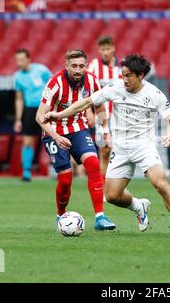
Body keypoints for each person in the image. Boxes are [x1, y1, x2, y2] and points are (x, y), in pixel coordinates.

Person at [44, 54, 170, 238]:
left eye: (128, 75)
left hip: (143, 146)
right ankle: (139, 206)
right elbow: (86, 102)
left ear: (140, 75)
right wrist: (59, 116)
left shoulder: (154, 94)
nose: (124, 79)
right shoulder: (115, 87)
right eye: (122, 75)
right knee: (112, 196)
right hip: (121, 148)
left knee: (160, 184)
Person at [35, 49, 116, 231]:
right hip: (53, 132)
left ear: (86, 66)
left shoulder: (92, 80)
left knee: (94, 163)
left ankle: (100, 217)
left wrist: (105, 130)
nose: (78, 70)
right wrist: (56, 137)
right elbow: (39, 116)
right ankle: (60, 214)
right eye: (74, 66)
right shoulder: (55, 83)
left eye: (81, 66)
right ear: (66, 66)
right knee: (65, 180)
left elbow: (100, 105)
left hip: (78, 128)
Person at [14, 49, 52, 182]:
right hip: (30, 110)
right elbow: (19, 99)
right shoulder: (18, 76)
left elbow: (54, 87)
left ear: (29, 59)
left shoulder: (41, 70)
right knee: (28, 141)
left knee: (52, 139)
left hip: (45, 108)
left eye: (22, 59)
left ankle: (57, 170)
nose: (20, 63)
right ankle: (26, 173)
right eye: (17, 60)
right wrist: (18, 119)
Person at [88, 35, 122, 182]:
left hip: (120, 116)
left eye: (108, 49)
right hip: (101, 116)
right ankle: (104, 185)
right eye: (103, 49)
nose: (106, 52)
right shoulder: (94, 66)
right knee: (104, 150)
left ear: (113, 48)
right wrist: (88, 111)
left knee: (118, 151)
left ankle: (117, 183)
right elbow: (87, 91)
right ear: (99, 50)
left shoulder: (122, 67)